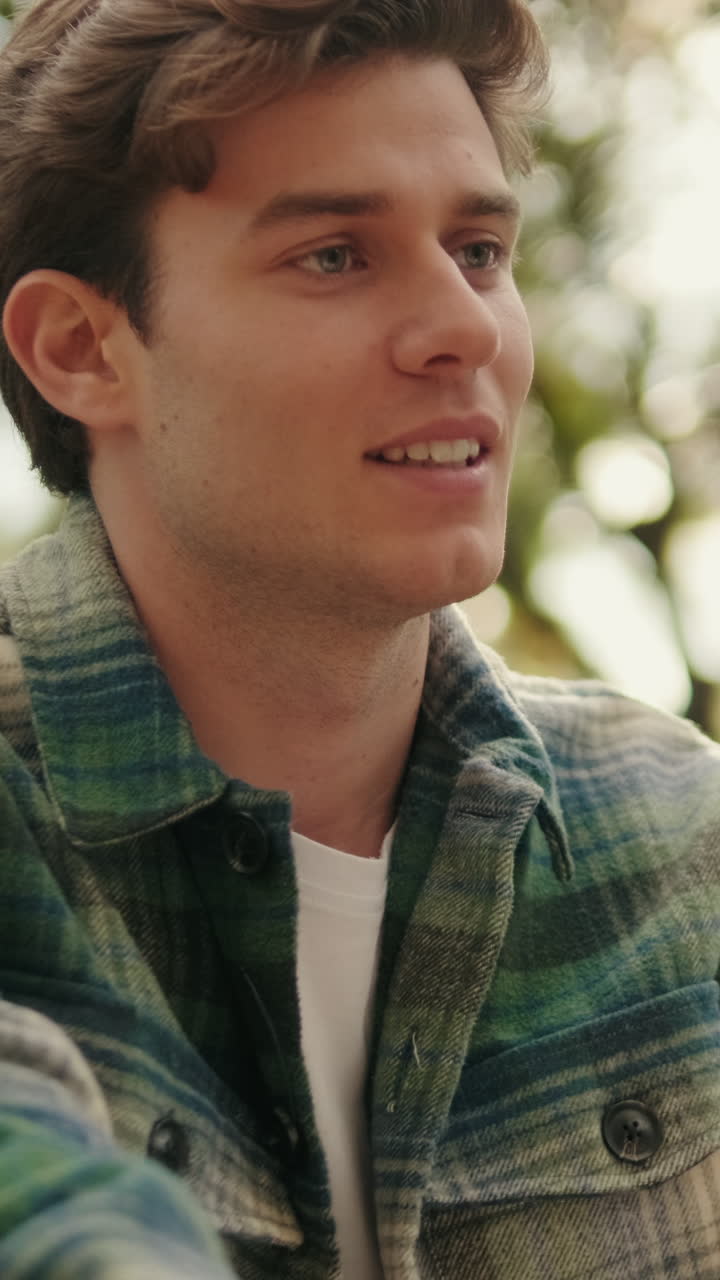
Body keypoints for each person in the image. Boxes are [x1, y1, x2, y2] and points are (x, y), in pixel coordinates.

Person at [1, 0, 720, 1276]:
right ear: (79, 348)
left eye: (481, 250)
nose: (468, 329)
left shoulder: (681, 841)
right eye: (335, 254)